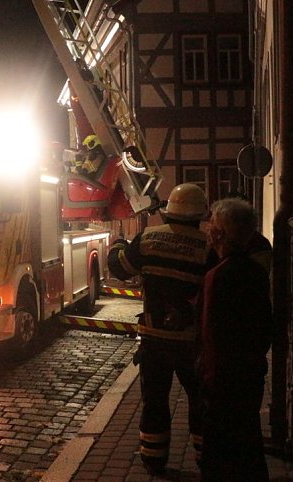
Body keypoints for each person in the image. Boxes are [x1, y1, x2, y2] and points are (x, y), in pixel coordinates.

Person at [107, 183, 216, 475]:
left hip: (154, 341)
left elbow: (120, 268)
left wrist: (118, 243)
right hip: (192, 342)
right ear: (199, 216)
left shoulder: (147, 239)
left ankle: (154, 460)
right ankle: (206, 459)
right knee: (199, 401)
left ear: (168, 215)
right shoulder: (208, 247)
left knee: (155, 401)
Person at [197, 198, 272, 481]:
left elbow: (212, 336)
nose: (208, 231)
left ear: (219, 235)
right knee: (249, 450)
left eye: (213, 226)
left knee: (218, 459)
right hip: (250, 377)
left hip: (222, 385)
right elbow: (265, 326)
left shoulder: (217, 277)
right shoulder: (256, 273)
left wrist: (208, 380)